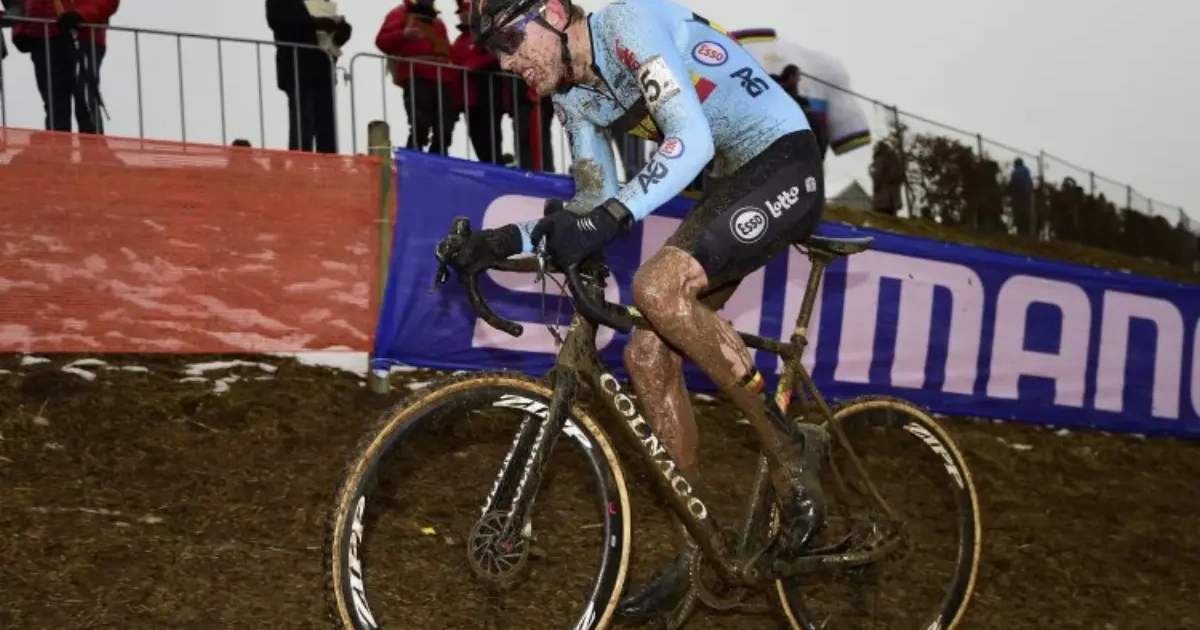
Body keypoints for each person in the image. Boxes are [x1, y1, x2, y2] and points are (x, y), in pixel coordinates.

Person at [449, 0, 830, 618]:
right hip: (733, 181)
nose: (506, 62)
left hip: (783, 160)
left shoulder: (627, 25)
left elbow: (691, 140)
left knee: (657, 287)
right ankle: (695, 555)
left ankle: (792, 451)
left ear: (554, 12)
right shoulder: (574, 96)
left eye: (511, 41)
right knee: (648, 354)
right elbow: (590, 207)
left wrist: (609, 216)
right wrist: (503, 243)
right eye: (495, 51)